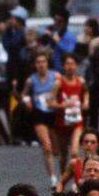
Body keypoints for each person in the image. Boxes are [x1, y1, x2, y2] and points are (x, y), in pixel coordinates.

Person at [23, 53, 61, 186]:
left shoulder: (55, 76)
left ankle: (61, 171)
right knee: (47, 146)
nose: (41, 64)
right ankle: (53, 178)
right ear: (35, 65)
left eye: (43, 61)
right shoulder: (31, 80)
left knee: (57, 149)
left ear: (47, 63)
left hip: (54, 113)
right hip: (39, 114)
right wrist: (27, 101)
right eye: (38, 62)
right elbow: (24, 94)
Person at [54, 54, 89, 161]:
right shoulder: (58, 83)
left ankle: (78, 178)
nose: (70, 66)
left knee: (74, 152)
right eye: (67, 64)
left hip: (77, 121)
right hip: (62, 121)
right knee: (63, 154)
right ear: (63, 66)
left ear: (76, 66)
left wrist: (86, 102)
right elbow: (51, 102)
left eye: (73, 64)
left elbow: (86, 92)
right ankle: (64, 175)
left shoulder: (81, 81)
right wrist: (62, 105)